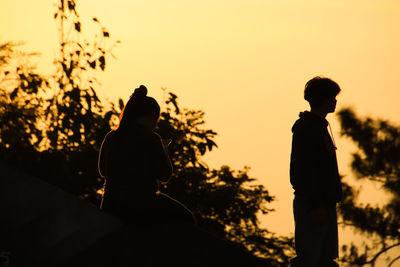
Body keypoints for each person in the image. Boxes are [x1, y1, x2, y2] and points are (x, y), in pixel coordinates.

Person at [98, 85, 195, 225]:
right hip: (141, 206)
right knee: (186, 218)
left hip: (110, 204)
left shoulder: (111, 136)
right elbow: (165, 174)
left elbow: (102, 170)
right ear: (150, 116)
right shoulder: (151, 139)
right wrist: (164, 151)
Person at [289, 76, 343, 267]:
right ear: (323, 99)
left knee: (325, 261)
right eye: (331, 97)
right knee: (308, 259)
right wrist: (314, 206)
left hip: (324, 204)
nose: (335, 101)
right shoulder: (307, 128)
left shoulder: (318, 127)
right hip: (313, 205)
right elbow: (303, 172)